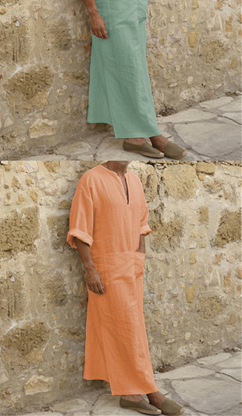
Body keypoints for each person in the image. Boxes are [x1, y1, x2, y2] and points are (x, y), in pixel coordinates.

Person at [67, 162, 184, 415]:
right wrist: (90, 268)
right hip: (106, 269)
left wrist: (140, 254)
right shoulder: (91, 180)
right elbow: (80, 228)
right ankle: (144, 391)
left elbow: (142, 222)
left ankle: (137, 390)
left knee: (133, 328)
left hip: (132, 268)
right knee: (125, 330)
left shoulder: (135, 179)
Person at [71, 0, 185, 160]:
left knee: (135, 71)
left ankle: (140, 133)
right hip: (110, 12)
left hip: (134, 11)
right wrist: (94, 14)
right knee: (129, 72)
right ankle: (147, 135)